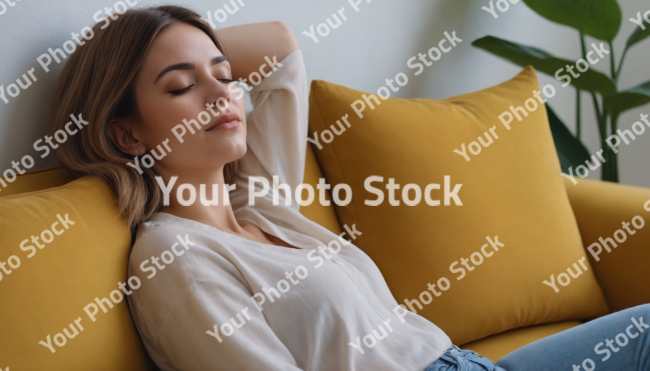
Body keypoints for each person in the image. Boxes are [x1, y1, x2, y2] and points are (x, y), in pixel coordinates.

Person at [48, 5, 650, 371]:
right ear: (126, 134)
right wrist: (137, 50)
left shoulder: (260, 201)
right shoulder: (173, 258)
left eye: (225, 77)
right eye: (181, 87)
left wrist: (178, 41)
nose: (222, 96)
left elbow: (280, 50)